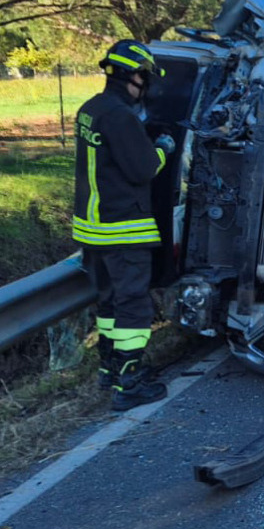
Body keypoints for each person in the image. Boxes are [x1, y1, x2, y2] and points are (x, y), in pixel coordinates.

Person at [75, 39, 175, 411]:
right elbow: (144, 169)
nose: (146, 85)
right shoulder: (121, 117)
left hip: (93, 229)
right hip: (123, 229)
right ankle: (129, 382)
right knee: (134, 306)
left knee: (110, 301)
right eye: (145, 77)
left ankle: (109, 369)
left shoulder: (91, 109)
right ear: (134, 75)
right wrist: (164, 147)